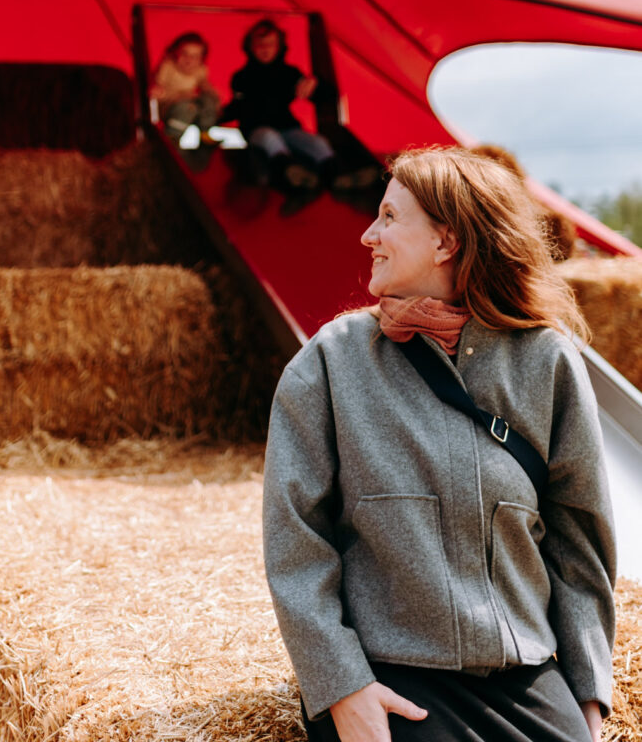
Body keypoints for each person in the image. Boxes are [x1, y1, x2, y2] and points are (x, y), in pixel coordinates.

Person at [263, 146, 616, 742]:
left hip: (528, 677)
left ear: (446, 240)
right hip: (392, 685)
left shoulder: (547, 360)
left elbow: (581, 541)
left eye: (390, 217)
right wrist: (343, 689)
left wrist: (588, 696)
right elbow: (296, 541)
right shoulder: (329, 362)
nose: (368, 235)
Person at [223, 18, 377, 194]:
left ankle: (336, 175)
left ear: (279, 46)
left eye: (270, 44)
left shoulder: (289, 73)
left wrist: (315, 83)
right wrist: (219, 115)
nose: (265, 49)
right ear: (250, 47)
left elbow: (326, 95)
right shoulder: (242, 77)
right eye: (260, 45)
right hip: (257, 129)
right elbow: (236, 108)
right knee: (269, 138)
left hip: (288, 128)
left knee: (316, 142)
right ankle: (290, 171)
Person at [150, 32, 220, 146]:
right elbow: (158, 85)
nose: (189, 59)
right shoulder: (168, 67)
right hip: (171, 104)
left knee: (209, 99)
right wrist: (158, 90)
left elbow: (203, 83)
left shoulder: (201, 70)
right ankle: (172, 137)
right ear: (174, 52)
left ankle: (205, 131)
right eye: (184, 53)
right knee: (186, 108)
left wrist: (210, 91)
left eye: (195, 56)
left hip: (191, 103)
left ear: (202, 59)